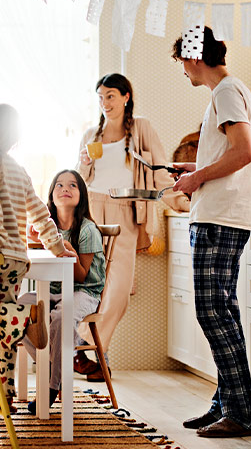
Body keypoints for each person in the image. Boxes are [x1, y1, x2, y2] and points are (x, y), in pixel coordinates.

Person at [171, 25, 251, 438]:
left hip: (218, 219)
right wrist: (197, 170)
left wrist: (197, 180)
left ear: (193, 57)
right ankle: (226, 404)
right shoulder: (232, 90)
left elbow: (244, 151)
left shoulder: (224, 92)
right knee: (224, 312)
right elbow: (231, 153)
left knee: (212, 313)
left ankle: (242, 413)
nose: (183, 72)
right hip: (224, 215)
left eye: (181, 62)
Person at [0, 104, 78, 412]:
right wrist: (54, 244)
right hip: (15, 260)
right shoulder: (18, 170)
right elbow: (39, 210)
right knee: (2, 324)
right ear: (14, 137)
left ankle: (26, 318)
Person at [76, 73, 189, 381]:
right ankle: (95, 357)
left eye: (110, 96)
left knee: (120, 290)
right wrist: (84, 162)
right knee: (92, 288)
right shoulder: (91, 133)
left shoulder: (141, 128)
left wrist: (182, 203)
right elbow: (79, 181)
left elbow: (160, 172)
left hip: (125, 212)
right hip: (91, 212)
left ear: (126, 97)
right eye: (100, 97)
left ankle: (85, 345)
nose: (105, 103)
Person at [22, 169, 105, 413]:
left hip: (84, 292)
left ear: (82, 195)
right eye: (59, 185)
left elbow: (81, 276)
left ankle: (52, 385)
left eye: (72, 185)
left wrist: (66, 247)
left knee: (60, 317)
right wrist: (35, 240)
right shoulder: (47, 229)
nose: (65, 189)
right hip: (53, 290)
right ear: (51, 195)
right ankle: (49, 366)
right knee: (18, 310)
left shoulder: (88, 230)